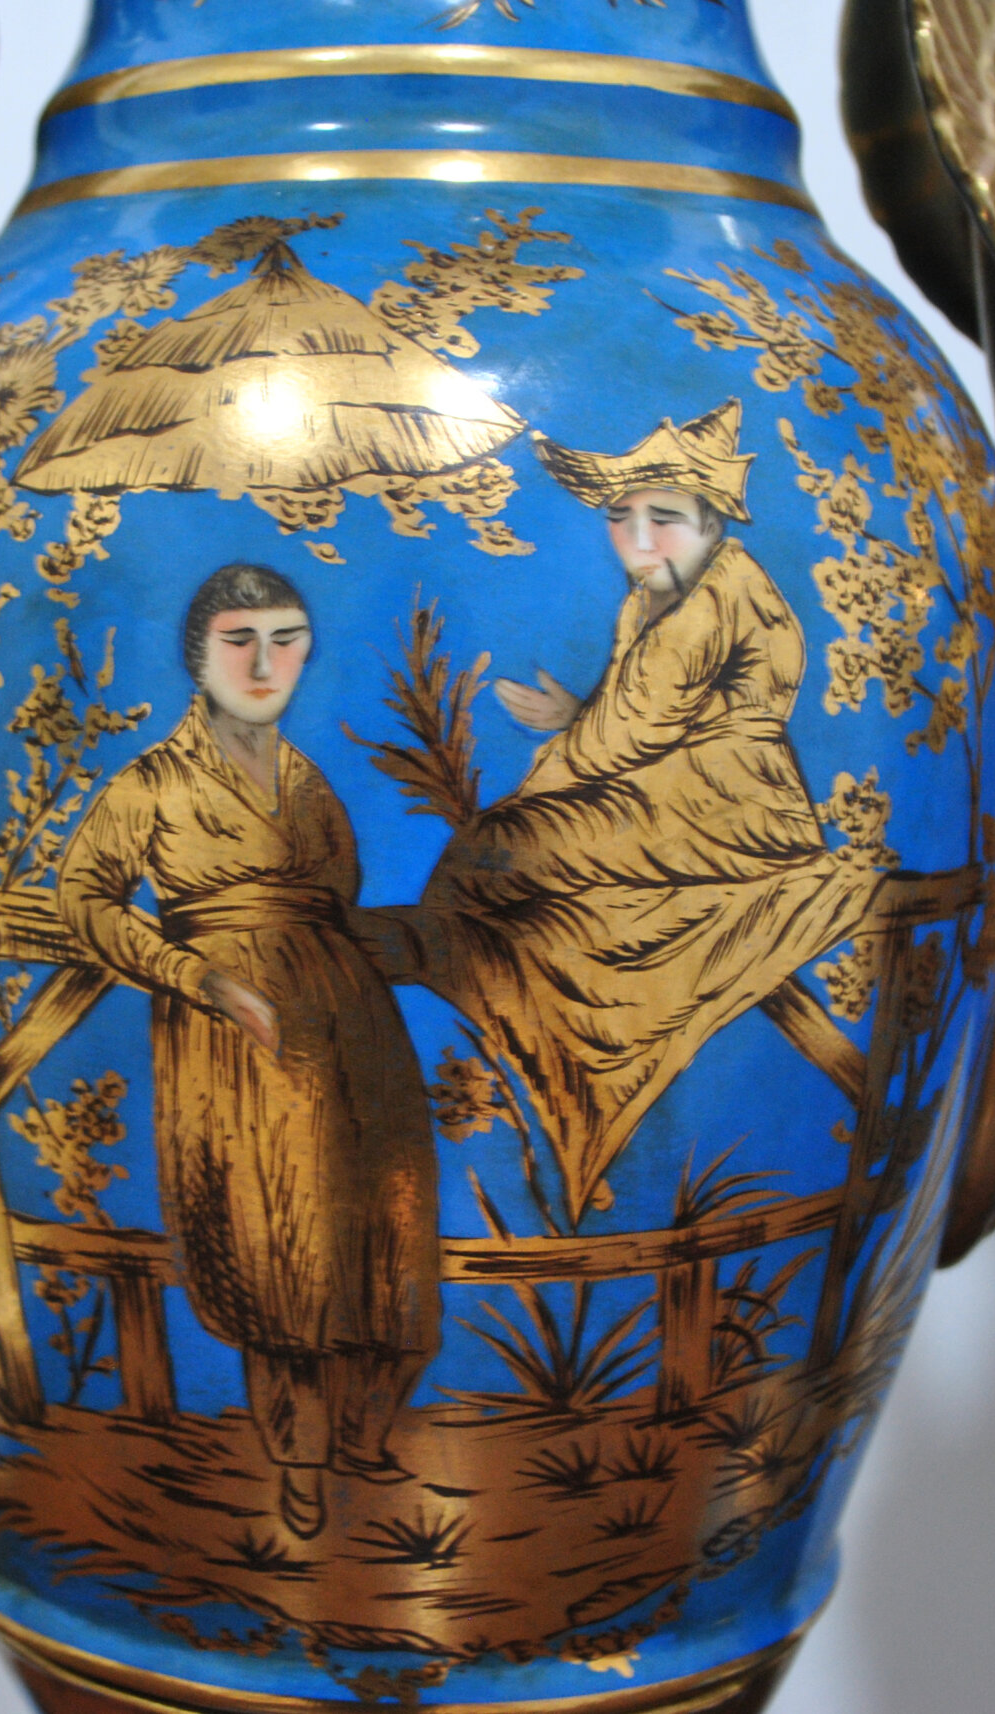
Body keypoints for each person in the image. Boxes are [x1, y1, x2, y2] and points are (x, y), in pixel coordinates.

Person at [370, 402, 879, 1226]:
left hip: (730, 805)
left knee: (504, 850)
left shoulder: (719, 597)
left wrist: (554, 769)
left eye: (663, 518)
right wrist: (575, 723)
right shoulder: (657, 597)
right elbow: (633, 720)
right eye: (621, 516)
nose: (638, 538)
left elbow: (631, 731)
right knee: (500, 855)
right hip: (672, 789)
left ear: (711, 521)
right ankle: (521, 1020)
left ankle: (556, 1040)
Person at [56, 564, 441, 1540]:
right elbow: (85, 898)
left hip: (353, 1029)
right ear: (198, 655)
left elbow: (337, 911)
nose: (264, 664)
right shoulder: (152, 784)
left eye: (286, 640)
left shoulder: (308, 783)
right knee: (276, 1249)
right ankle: (298, 1458)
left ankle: (362, 1432)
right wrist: (193, 976)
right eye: (240, 641)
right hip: (236, 1040)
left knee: (386, 1234)